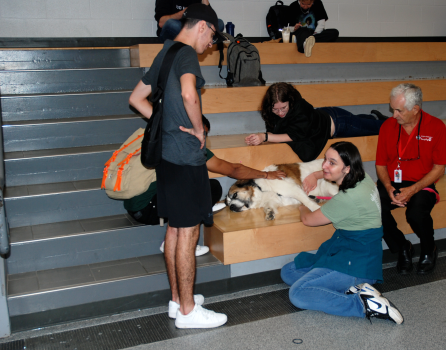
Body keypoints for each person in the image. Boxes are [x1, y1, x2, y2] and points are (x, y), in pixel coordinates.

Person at [129, 3, 227, 329]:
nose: (211, 45)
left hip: (166, 157)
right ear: (202, 27)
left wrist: (165, 122)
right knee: (188, 233)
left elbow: (137, 98)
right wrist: (199, 129)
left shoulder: (166, 52)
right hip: (185, 157)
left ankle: (176, 301)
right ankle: (188, 311)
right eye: (212, 36)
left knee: (173, 229)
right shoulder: (186, 54)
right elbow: (189, 95)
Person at [124, 116, 286, 256]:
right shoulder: (190, 146)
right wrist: (266, 175)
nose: (203, 137)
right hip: (148, 209)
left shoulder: (166, 137)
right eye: (203, 133)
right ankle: (178, 243)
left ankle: (202, 208)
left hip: (136, 205)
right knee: (211, 188)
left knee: (192, 179)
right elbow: (234, 170)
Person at [280, 142, 403, 324]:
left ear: (346, 168)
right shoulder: (363, 178)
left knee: (298, 293)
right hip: (349, 250)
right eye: (325, 160)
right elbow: (330, 173)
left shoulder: (348, 198)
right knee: (288, 271)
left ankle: (363, 305)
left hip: (358, 263)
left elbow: (309, 220)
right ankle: (350, 288)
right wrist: (315, 174)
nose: (324, 166)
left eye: (332, 163)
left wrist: (302, 206)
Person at [375, 83, 446, 276]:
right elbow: (381, 165)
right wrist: (388, 186)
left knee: (415, 214)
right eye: (392, 109)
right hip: (393, 182)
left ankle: (428, 248)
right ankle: (402, 248)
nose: (394, 115)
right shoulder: (387, 127)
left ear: (415, 109)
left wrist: (413, 190)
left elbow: (439, 168)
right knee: (373, 208)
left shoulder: (436, 127)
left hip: (422, 183)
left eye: (398, 110)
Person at [244, 82, 386, 162]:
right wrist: (261, 137)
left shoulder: (301, 108)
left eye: (284, 108)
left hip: (339, 123)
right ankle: (373, 117)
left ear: (291, 102)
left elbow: (294, 135)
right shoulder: (270, 110)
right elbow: (278, 130)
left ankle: (389, 122)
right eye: (276, 110)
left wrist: (264, 137)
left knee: (379, 128)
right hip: (323, 116)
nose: (280, 113)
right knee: (363, 122)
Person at [155, 0, 224, 42]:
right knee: (171, 24)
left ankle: (195, 38)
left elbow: (212, 20)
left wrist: (204, 1)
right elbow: (161, 23)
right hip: (176, 29)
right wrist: (182, 14)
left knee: (219, 23)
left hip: (193, 29)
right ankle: (199, 38)